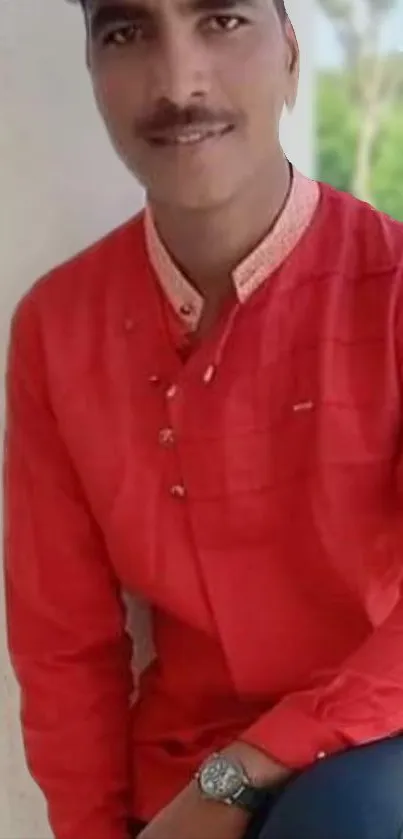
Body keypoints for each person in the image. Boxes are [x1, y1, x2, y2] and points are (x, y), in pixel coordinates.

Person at [4, 0, 403, 836]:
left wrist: (241, 773)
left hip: (371, 749)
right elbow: (64, 645)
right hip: (176, 776)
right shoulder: (58, 329)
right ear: (91, 71)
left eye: (220, 20)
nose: (178, 81)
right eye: (125, 32)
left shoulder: (392, 286)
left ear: (291, 54)